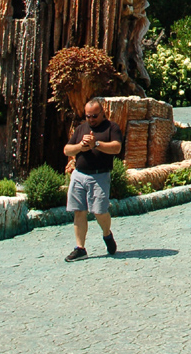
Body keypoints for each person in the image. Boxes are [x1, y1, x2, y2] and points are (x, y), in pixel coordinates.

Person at [63, 97, 124, 261]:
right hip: (79, 175)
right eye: (88, 116)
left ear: (102, 113)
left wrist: (96, 144)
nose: (91, 119)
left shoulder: (111, 127)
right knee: (79, 211)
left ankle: (107, 234)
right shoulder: (81, 128)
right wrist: (80, 147)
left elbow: (116, 148)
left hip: (100, 175)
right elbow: (67, 150)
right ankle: (80, 248)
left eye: (94, 116)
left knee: (99, 211)